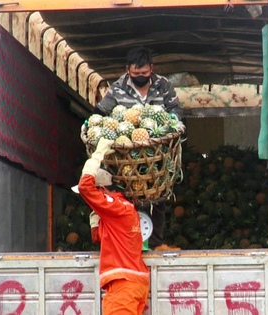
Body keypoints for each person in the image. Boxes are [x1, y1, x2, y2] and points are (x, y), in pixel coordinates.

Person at [93, 46, 182, 251]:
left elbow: (176, 109)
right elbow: (103, 110)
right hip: (126, 155)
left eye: (144, 73)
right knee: (125, 196)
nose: (140, 76)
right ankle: (127, 243)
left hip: (157, 151)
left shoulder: (163, 85)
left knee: (159, 193)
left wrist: (171, 123)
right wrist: (93, 123)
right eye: (135, 74)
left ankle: (157, 242)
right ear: (127, 70)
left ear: (151, 68)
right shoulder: (117, 88)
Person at [76, 138, 150, 315]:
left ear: (101, 190)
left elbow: (85, 186)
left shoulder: (114, 207)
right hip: (133, 282)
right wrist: (95, 216)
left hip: (122, 285)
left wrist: (97, 155)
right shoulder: (124, 209)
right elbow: (100, 237)